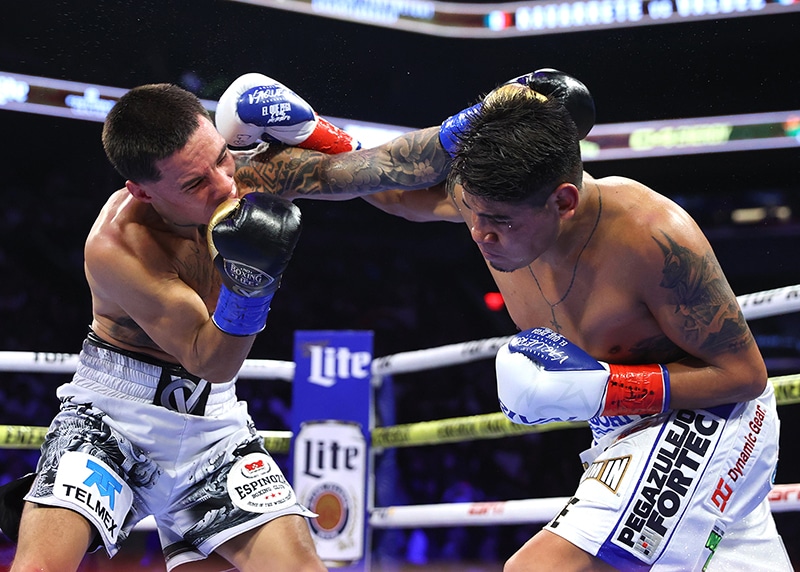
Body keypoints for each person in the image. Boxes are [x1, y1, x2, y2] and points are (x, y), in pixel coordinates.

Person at [0, 75, 451, 571]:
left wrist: (472, 127)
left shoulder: (249, 174)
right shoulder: (119, 246)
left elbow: (381, 173)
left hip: (212, 426)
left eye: (220, 156)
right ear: (142, 191)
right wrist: (249, 289)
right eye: (194, 182)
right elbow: (211, 358)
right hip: (111, 420)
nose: (224, 184)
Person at [363, 71, 792, 570]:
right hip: (621, 430)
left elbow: (745, 376)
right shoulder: (491, 201)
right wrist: (318, 141)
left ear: (562, 202)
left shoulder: (649, 234)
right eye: (472, 215)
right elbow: (390, 189)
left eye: (500, 222)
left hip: (712, 417)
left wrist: (604, 389)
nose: (480, 235)